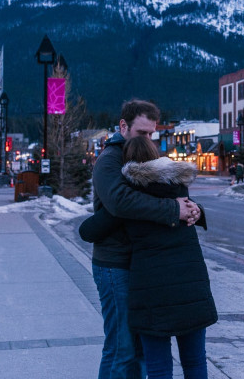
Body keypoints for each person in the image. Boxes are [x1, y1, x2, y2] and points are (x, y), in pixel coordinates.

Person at [81, 135, 216, 379]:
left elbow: (87, 231)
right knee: (195, 362)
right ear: (156, 157)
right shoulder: (181, 190)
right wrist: (195, 209)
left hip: (153, 294)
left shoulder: (132, 197)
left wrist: (114, 208)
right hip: (192, 289)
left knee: (158, 367)